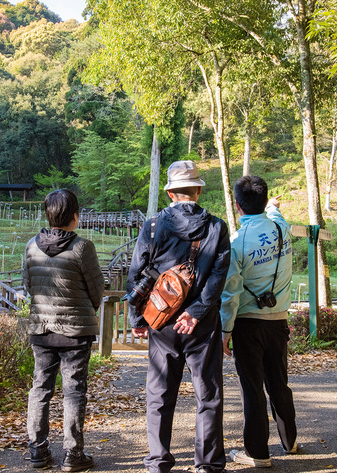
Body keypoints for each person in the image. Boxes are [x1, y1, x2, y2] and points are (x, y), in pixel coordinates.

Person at [126, 160, 231, 473]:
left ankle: (159, 461)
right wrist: (196, 312)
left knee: (160, 393)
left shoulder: (154, 225)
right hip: (203, 326)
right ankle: (208, 464)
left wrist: (138, 319)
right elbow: (218, 277)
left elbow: (137, 274)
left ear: (171, 194)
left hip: (162, 323)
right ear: (197, 190)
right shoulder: (217, 227)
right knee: (208, 395)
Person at [23, 189, 105, 472]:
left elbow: (28, 286)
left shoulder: (31, 246)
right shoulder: (83, 247)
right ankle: (73, 455)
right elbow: (97, 290)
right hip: (76, 331)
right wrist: (86, 307)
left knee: (40, 388)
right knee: (74, 391)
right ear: (74, 216)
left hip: (41, 329)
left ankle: (38, 451)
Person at [220, 175, 297, 468]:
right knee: (278, 382)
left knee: (252, 387)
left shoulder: (236, 242)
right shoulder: (281, 229)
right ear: (265, 201)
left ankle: (257, 453)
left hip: (246, 325)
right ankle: (290, 441)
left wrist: (225, 331)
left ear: (238, 206)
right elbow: (275, 213)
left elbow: (231, 292)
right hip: (278, 321)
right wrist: (274, 206)